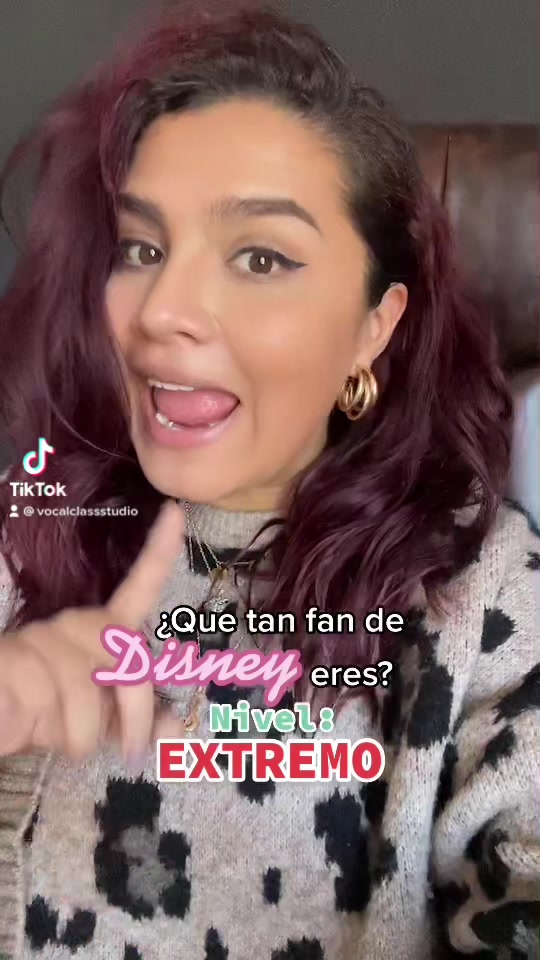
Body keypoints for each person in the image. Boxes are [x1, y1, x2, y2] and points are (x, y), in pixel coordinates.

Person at [0, 2, 538, 958]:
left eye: (260, 257)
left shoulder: (478, 590)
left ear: (374, 327)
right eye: (142, 248)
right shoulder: (31, 523)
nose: (161, 310)